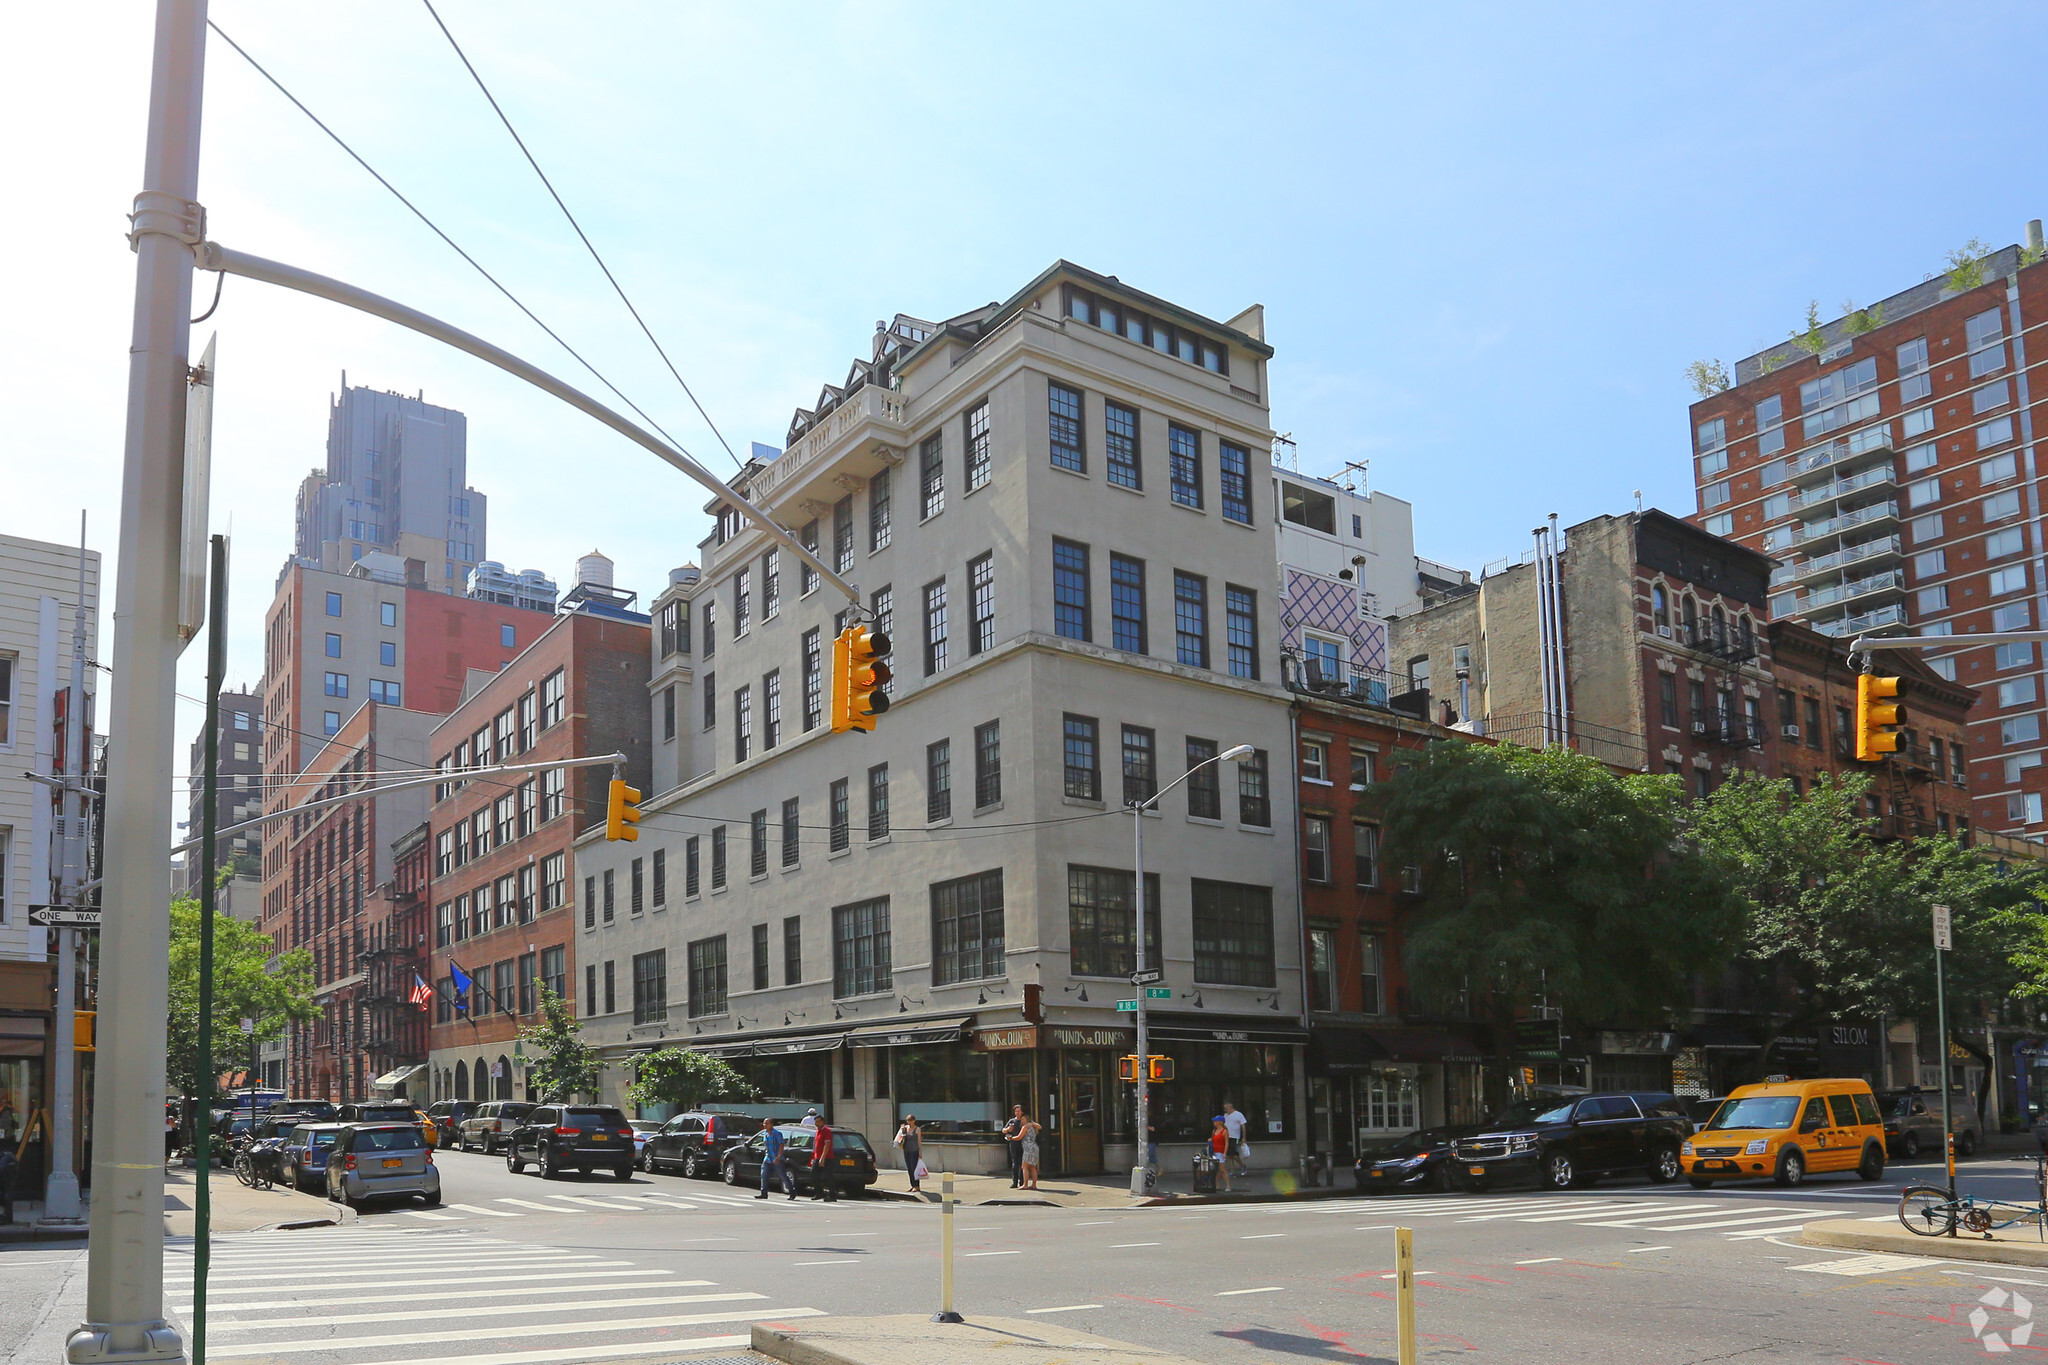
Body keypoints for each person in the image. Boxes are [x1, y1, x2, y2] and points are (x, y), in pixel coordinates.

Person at [757, 1117, 794, 1201]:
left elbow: (781, 1144)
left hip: (777, 1158)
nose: (765, 1125)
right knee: (764, 1175)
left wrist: (779, 1156)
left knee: (782, 1175)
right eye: (764, 1123)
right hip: (768, 1158)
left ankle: (792, 1192)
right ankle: (764, 1193)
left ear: (771, 1124)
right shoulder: (765, 1134)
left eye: (767, 1123)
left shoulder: (777, 1133)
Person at [895, 1114, 924, 1193]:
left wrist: (920, 1152)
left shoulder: (917, 1129)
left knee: (914, 1168)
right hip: (906, 1150)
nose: (909, 1122)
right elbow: (901, 1137)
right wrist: (902, 1129)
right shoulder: (906, 1128)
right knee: (909, 1169)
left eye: (910, 1120)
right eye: (907, 1120)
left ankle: (917, 1185)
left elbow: (919, 1141)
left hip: (914, 1151)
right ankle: (912, 1185)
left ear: (914, 1121)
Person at [811, 1115, 838, 1201]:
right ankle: (819, 1193)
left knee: (828, 1177)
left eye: (818, 1122)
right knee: (813, 1174)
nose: (817, 1123)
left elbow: (827, 1145)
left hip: (827, 1157)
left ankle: (832, 1195)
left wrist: (822, 1158)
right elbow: (816, 1145)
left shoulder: (827, 1131)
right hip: (817, 1157)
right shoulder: (817, 1131)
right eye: (816, 1122)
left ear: (823, 1121)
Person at [1221, 1100, 1249, 1176]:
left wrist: (1244, 1137)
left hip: (1235, 1137)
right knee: (1229, 1155)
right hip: (1227, 1137)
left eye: (1226, 1109)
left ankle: (1242, 1166)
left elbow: (1243, 1126)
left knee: (1233, 1154)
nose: (1225, 1110)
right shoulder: (1225, 1115)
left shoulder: (1238, 1115)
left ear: (1230, 1108)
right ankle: (1232, 1170)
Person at [1002, 1105, 1026, 1188]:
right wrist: (1008, 1129)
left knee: (1023, 1164)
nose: (1017, 1113)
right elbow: (1003, 1130)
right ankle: (1014, 1182)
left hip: (1023, 1144)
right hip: (1013, 1144)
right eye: (1016, 1111)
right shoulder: (1012, 1121)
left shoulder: (1024, 1121)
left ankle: (1022, 1182)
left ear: (1022, 1112)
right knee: (1015, 1163)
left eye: (1019, 1111)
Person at [1019, 1113, 1042, 1191]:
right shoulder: (1032, 1126)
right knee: (1032, 1167)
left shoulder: (1025, 1127)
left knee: (1024, 1166)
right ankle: (1034, 1184)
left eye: (1023, 1119)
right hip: (1035, 1147)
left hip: (1028, 1148)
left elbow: (1019, 1137)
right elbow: (1039, 1126)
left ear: (1026, 1120)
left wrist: (1011, 1138)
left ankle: (1025, 1184)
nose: (1021, 1121)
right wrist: (1032, 1123)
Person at [1210, 1118, 1233, 1192]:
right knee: (1216, 1170)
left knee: (1222, 1169)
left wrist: (1225, 1153)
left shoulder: (1224, 1131)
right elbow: (1213, 1140)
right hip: (1214, 1152)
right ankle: (1217, 1185)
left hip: (1220, 1152)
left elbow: (1226, 1143)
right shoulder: (1214, 1131)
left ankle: (1228, 1186)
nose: (1214, 1122)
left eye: (1216, 1121)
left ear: (1220, 1122)